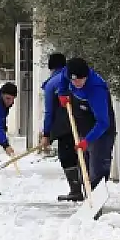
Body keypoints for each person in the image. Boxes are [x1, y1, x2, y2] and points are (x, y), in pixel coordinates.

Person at [37, 53, 85, 201]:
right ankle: (89, 187)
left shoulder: (52, 84)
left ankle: (76, 190)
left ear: (51, 68)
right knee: (82, 155)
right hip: (84, 124)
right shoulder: (76, 77)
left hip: (65, 127)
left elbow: (49, 111)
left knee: (67, 157)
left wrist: (46, 134)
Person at [64, 57, 116, 190]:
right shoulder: (68, 74)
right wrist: (62, 93)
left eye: (79, 80)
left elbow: (103, 122)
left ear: (86, 76)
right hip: (83, 126)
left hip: (100, 131)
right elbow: (60, 81)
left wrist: (87, 140)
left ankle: (96, 197)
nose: (76, 83)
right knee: (84, 166)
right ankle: (87, 195)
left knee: (97, 168)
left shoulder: (96, 89)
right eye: (73, 80)